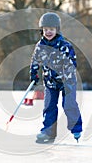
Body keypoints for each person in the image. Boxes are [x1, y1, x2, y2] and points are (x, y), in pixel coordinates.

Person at [30, 12, 83, 143]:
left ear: (57, 30)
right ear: (41, 30)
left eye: (51, 29)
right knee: (49, 106)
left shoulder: (65, 45)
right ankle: (48, 132)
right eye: (46, 29)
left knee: (69, 104)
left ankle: (76, 128)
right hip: (50, 82)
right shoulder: (40, 47)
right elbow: (35, 61)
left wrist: (64, 75)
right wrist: (34, 72)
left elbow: (72, 63)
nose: (48, 32)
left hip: (67, 81)